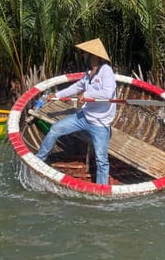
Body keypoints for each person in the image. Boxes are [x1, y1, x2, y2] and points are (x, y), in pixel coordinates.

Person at [35, 38, 117, 185]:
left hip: (100, 123)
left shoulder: (106, 71)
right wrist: (57, 95)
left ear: (95, 56)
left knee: (101, 160)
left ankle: (101, 190)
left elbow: (108, 93)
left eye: (86, 54)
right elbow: (76, 87)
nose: (83, 56)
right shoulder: (88, 73)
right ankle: (38, 161)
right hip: (84, 117)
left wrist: (87, 95)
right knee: (55, 129)